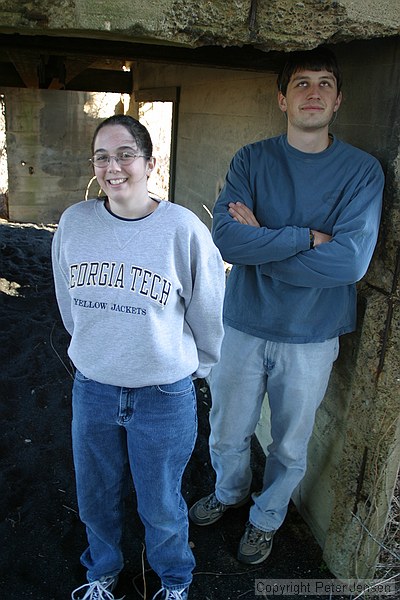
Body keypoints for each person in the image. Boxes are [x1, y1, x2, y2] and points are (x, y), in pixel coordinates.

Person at [189, 47, 384, 566]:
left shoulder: (362, 172)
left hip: (313, 334)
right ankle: (230, 494)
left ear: (339, 100)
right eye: (301, 83)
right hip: (244, 324)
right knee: (229, 430)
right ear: (282, 98)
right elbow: (228, 241)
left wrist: (266, 244)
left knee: (290, 444)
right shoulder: (252, 160)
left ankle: (266, 517)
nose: (313, 92)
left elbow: (348, 264)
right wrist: (305, 238)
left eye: (324, 84)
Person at [52, 114, 225, 600]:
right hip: (94, 389)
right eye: (102, 156)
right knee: (96, 496)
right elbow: (68, 303)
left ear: (150, 163)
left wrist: (193, 368)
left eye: (126, 154)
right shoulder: (74, 224)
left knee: (162, 503)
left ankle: (173, 580)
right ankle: (102, 572)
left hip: (164, 394)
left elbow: (209, 313)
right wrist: (98, 351)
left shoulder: (183, 230)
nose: (114, 167)